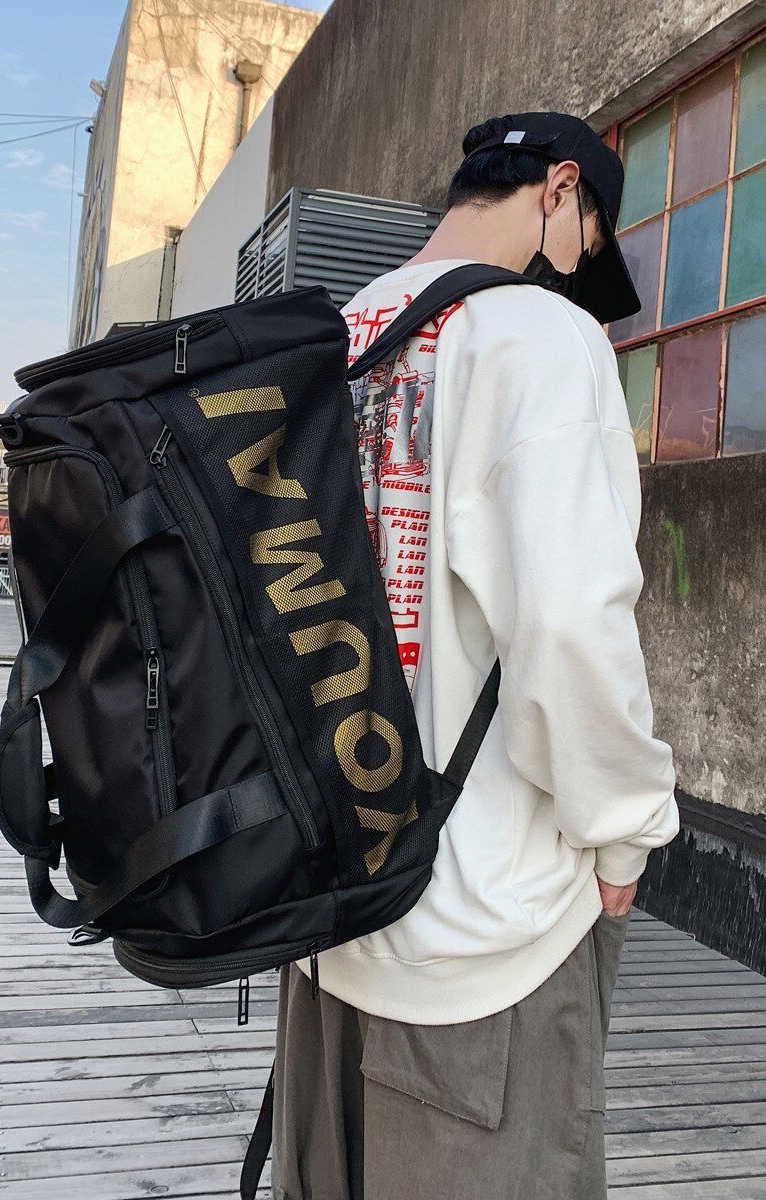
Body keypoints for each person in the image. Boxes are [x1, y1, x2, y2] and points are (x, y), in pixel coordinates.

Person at [270, 112, 679, 1200]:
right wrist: (623, 831)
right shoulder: (538, 335)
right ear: (559, 189)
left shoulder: (329, 338)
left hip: (323, 914)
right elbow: (568, 622)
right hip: (477, 930)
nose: (576, 270)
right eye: (587, 243)